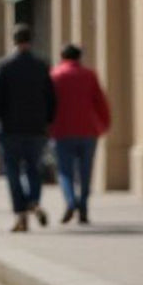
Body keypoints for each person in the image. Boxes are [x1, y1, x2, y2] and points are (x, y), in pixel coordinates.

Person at [0, 22, 56, 232]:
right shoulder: (42, 65)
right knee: (34, 168)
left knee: (13, 172)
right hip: (36, 128)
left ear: (13, 41)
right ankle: (33, 200)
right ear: (30, 40)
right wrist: (49, 122)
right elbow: (51, 97)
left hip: (10, 129)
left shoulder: (5, 66)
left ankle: (21, 213)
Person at [50, 43, 111, 225]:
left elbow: (49, 103)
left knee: (65, 171)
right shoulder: (89, 75)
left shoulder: (55, 75)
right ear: (79, 58)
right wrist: (104, 124)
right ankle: (83, 206)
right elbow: (100, 101)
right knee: (85, 172)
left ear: (62, 56)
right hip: (87, 130)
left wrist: (47, 126)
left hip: (61, 131)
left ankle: (71, 201)